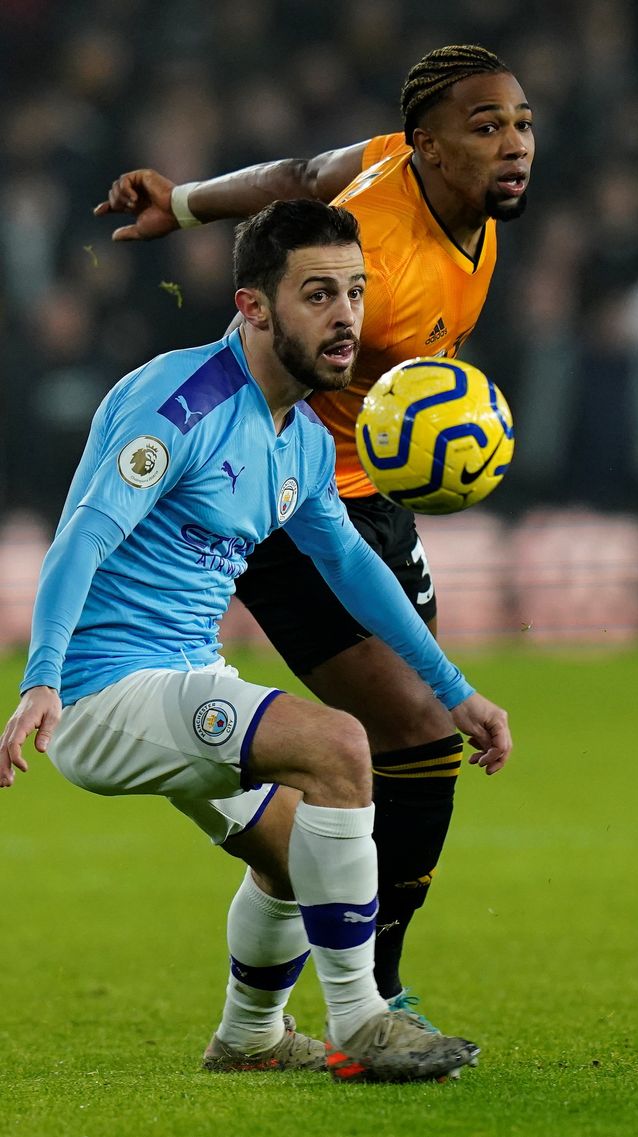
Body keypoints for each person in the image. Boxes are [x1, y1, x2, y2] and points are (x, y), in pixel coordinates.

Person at [0, 200, 510, 1082]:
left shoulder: (301, 439)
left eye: (354, 290)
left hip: (182, 675)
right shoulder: (184, 399)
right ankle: (365, 1018)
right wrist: (41, 679)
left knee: (289, 850)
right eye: (318, 293)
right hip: (101, 689)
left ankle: (249, 1037)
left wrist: (455, 690)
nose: (346, 315)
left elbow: (352, 568)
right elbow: (82, 534)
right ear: (254, 307)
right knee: (342, 744)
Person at [95, 43, 532, 1013]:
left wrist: (190, 200)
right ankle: (370, 996)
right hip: (293, 506)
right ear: (428, 145)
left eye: (520, 123)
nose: (513, 146)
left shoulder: (405, 172)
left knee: (390, 749)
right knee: (419, 737)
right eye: (486, 126)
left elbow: (294, 176)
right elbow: (255, 341)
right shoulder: (375, 242)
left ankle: (276, 961)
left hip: (369, 499)